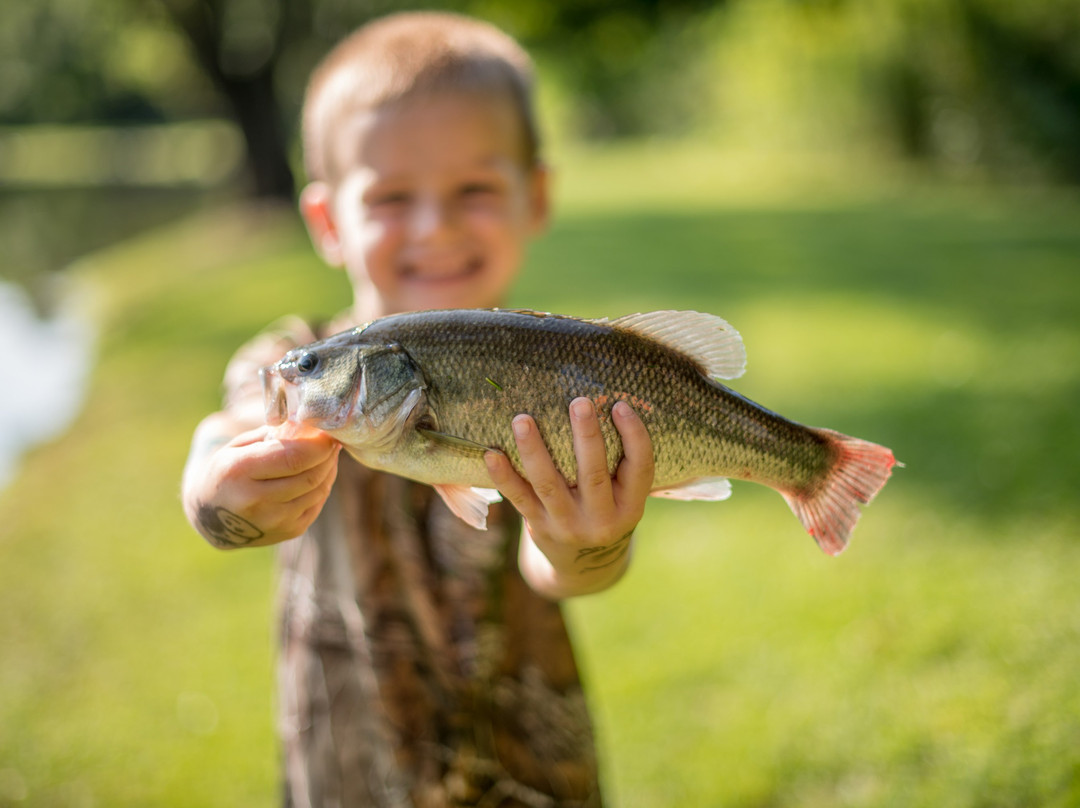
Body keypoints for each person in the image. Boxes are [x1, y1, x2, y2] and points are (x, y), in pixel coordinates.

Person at [181, 11, 655, 808]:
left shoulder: (556, 373)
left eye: (473, 189)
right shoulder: (292, 365)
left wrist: (592, 547)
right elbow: (223, 442)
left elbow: (563, 574)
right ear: (329, 223)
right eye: (393, 198)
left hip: (531, 773)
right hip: (353, 773)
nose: (434, 228)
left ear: (534, 198)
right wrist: (218, 495)